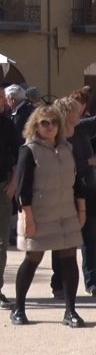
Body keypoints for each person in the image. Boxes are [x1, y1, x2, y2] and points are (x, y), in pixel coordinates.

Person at [11, 105, 86, 327]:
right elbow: (22, 189)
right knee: (32, 259)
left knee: (70, 260)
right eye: (45, 123)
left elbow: (78, 181)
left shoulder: (67, 148)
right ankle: (19, 308)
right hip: (39, 214)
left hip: (66, 213)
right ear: (35, 125)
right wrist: (28, 217)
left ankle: (70, 311)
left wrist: (82, 210)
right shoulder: (29, 150)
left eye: (54, 122)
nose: (50, 126)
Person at [50, 82, 96, 299]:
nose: (79, 113)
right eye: (74, 110)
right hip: (64, 193)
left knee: (89, 239)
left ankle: (92, 282)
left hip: (87, 190)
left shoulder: (81, 127)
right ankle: (59, 283)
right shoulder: (55, 135)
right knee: (61, 240)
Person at [0, 88, 22, 309]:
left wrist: (15, 181)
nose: (2, 102)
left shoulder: (7, 124)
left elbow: (20, 154)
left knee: (1, 243)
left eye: (2, 98)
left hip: (3, 187)